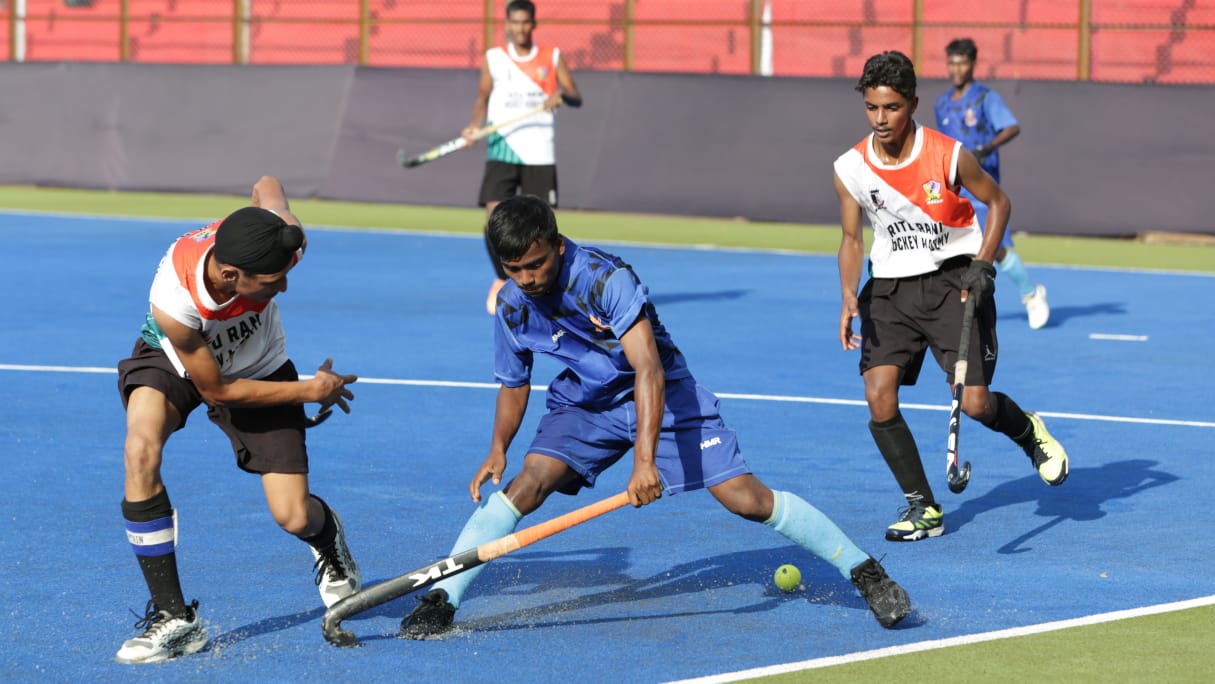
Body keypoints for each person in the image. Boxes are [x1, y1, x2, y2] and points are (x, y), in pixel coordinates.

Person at [398, 195, 912, 638]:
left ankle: (864, 571)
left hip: (661, 393)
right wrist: (498, 448)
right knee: (526, 484)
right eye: (514, 270)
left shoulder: (604, 279)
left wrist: (645, 461)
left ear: (556, 245)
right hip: (587, 403)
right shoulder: (512, 305)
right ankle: (443, 598)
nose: (527, 280)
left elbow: (649, 370)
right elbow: (514, 384)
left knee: (746, 499)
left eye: (536, 265)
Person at [114, 176, 361, 664]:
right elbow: (217, 391)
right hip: (178, 360)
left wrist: (271, 217)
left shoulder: (280, 243)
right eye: (272, 283)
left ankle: (326, 535)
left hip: (260, 365)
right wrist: (311, 390)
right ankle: (175, 619)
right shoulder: (176, 303)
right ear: (229, 275)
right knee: (140, 451)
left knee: (292, 515)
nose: (284, 286)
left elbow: (267, 184)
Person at [833, 51, 1070, 543]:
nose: (881, 119)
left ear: (913, 104)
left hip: (953, 284)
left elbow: (999, 203)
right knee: (878, 395)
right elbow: (852, 240)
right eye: (873, 108)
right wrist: (848, 297)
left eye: (892, 108)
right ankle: (924, 507)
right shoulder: (851, 168)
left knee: (977, 404)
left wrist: (982, 267)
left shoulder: (947, 153)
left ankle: (1030, 433)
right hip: (890, 290)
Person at [463, 0, 582, 315]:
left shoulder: (551, 57)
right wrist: (475, 125)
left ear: (533, 24)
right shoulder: (495, 58)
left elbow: (575, 95)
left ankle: (554, 286)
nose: (520, 28)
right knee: (492, 220)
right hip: (502, 146)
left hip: (539, 149)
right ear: (507, 24)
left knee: (542, 226)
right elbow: (483, 96)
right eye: (514, 23)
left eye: (525, 23)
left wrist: (561, 95)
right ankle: (503, 279)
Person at [934, 38, 1050, 329]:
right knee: (949, 247)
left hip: (983, 188)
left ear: (972, 64)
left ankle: (1031, 293)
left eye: (961, 62)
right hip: (955, 188)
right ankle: (952, 305)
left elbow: (1011, 127)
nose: (956, 68)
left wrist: (986, 149)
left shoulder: (986, 98)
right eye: (951, 62)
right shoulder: (942, 104)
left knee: (995, 248)